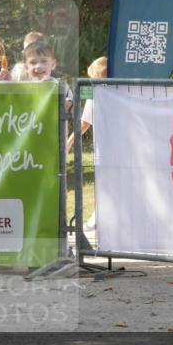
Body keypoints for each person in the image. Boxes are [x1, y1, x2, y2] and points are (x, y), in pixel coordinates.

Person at [66, 56, 108, 232]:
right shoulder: (121, 92)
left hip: (104, 149)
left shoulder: (94, 94)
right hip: (120, 146)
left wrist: (68, 142)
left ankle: (97, 219)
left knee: (103, 185)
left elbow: (84, 124)